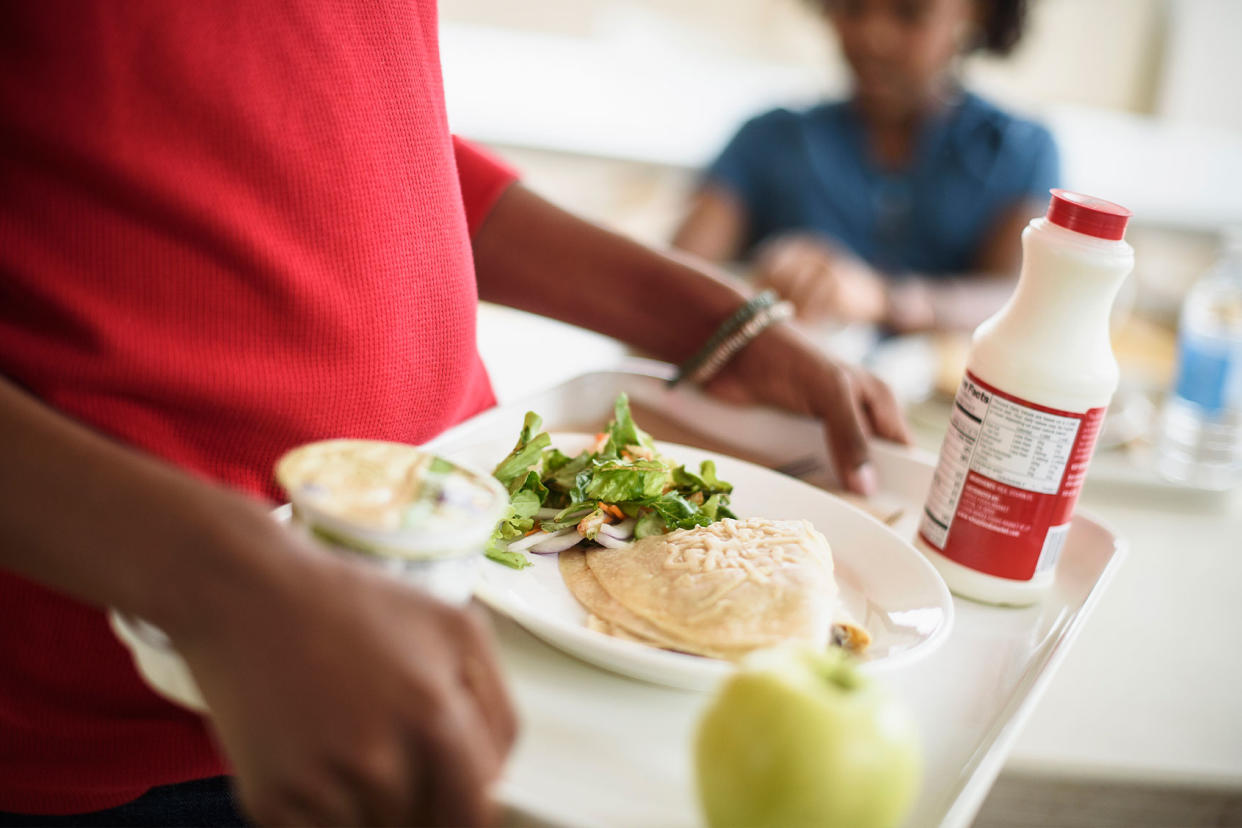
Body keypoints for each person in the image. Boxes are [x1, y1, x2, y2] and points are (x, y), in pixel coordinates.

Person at [0, 2, 910, 826]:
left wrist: (714, 320)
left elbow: (366, 142)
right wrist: (220, 582)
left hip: (478, 607)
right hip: (149, 705)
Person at [673, 0, 1059, 333]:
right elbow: (674, 278)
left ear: (978, 12)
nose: (873, 38)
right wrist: (758, 274)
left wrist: (884, 299)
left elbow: (1021, 303)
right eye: (853, 6)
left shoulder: (1018, 151)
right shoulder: (769, 139)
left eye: (910, 14)